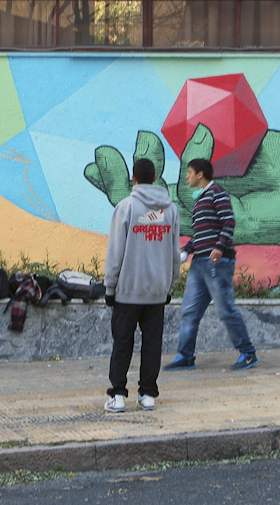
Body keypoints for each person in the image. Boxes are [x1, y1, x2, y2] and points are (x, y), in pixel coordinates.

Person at [164, 158, 259, 372]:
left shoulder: (217, 192)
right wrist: (187, 250)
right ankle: (185, 356)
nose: (187, 176)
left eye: (189, 172)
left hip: (217, 262)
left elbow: (229, 221)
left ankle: (248, 353)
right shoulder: (199, 200)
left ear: (200, 174)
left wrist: (219, 247)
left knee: (225, 310)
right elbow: (200, 234)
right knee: (189, 311)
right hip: (199, 263)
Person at [103, 159, 180, 413]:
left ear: (133, 178)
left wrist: (110, 287)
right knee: (152, 344)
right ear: (156, 176)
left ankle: (118, 396)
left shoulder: (126, 208)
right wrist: (169, 285)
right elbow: (173, 251)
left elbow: (116, 253)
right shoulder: (170, 210)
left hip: (128, 290)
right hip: (157, 292)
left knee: (122, 343)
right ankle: (147, 395)